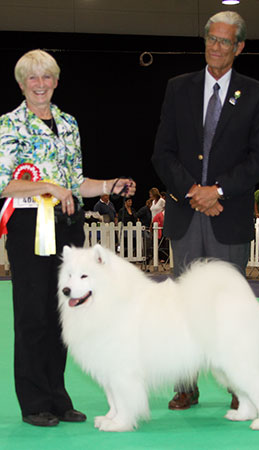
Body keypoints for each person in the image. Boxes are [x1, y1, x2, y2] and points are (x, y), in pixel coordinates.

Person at [0, 49, 135, 427]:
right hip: (30, 228)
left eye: (47, 77)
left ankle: (58, 399)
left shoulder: (69, 123)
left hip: (68, 228)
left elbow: (77, 181)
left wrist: (111, 184)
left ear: (56, 81)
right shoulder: (9, 125)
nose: (40, 84)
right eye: (33, 78)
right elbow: (4, 183)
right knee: (32, 316)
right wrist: (48, 187)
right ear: (22, 84)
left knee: (64, 316)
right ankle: (33, 402)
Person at [152, 11, 259, 411]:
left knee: (230, 309)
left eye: (225, 41)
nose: (216, 48)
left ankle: (240, 386)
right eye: (211, 39)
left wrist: (216, 190)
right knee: (182, 306)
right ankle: (186, 384)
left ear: (239, 47)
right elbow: (162, 152)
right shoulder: (177, 88)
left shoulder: (256, 93)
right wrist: (192, 191)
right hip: (186, 214)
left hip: (229, 215)